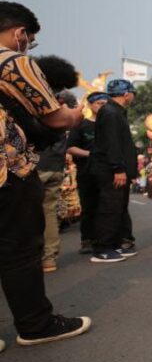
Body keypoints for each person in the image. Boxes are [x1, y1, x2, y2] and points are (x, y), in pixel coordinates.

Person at [0, 1, 90, 347]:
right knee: (20, 248)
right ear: (20, 33)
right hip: (8, 171)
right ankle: (35, 325)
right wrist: (74, 115)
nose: (28, 48)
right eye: (30, 41)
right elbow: (55, 119)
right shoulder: (14, 61)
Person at [89, 79, 139, 263]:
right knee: (109, 209)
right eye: (133, 92)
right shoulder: (110, 112)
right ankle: (102, 248)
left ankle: (114, 244)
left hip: (116, 169)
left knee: (118, 209)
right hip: (110, 171)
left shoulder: (115, 112)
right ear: (126, 94)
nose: (133, 96)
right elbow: (112, 144)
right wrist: (118, 169)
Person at [66, 92, 109, 253]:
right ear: (90, 105)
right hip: (87, 172)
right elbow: (70, 147)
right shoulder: (81, 125)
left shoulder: (109, 124)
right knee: (89, 207)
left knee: (106, 207)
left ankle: (105, 239)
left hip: (107, 173)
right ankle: (87, 240)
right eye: (99, 103)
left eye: (106, 103)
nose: (102, 106)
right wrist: (90, 154)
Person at [36, 91, 74, 273]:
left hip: (36, 168)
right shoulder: (66, 120)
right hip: (56, 168)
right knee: (49, 211)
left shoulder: (44, 113)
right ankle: (49, 258)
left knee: (22, 210)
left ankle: (28, 256)